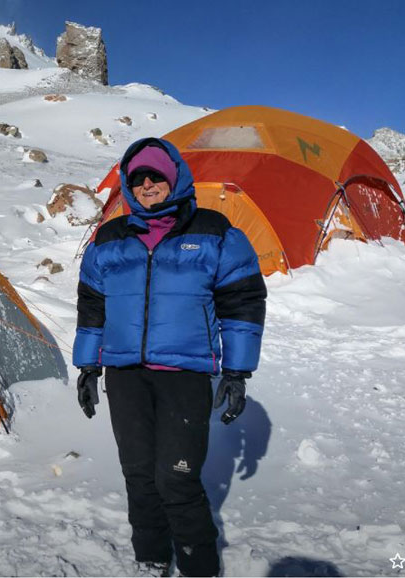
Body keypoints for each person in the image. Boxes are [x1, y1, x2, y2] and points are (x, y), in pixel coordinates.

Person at [74, 138, 266, 577]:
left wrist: (237, 371)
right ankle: (152, 559)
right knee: (139, 477)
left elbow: (243, 302)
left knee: (176, 479)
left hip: (184, 376)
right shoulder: (110, 237)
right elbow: (92, 306)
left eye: (156, 175)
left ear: (175, 177)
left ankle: (199, 567)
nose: (147, 185)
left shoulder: (214, 231)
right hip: (125, 375)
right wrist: (87, 365)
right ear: (127, 183)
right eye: (138, 177)